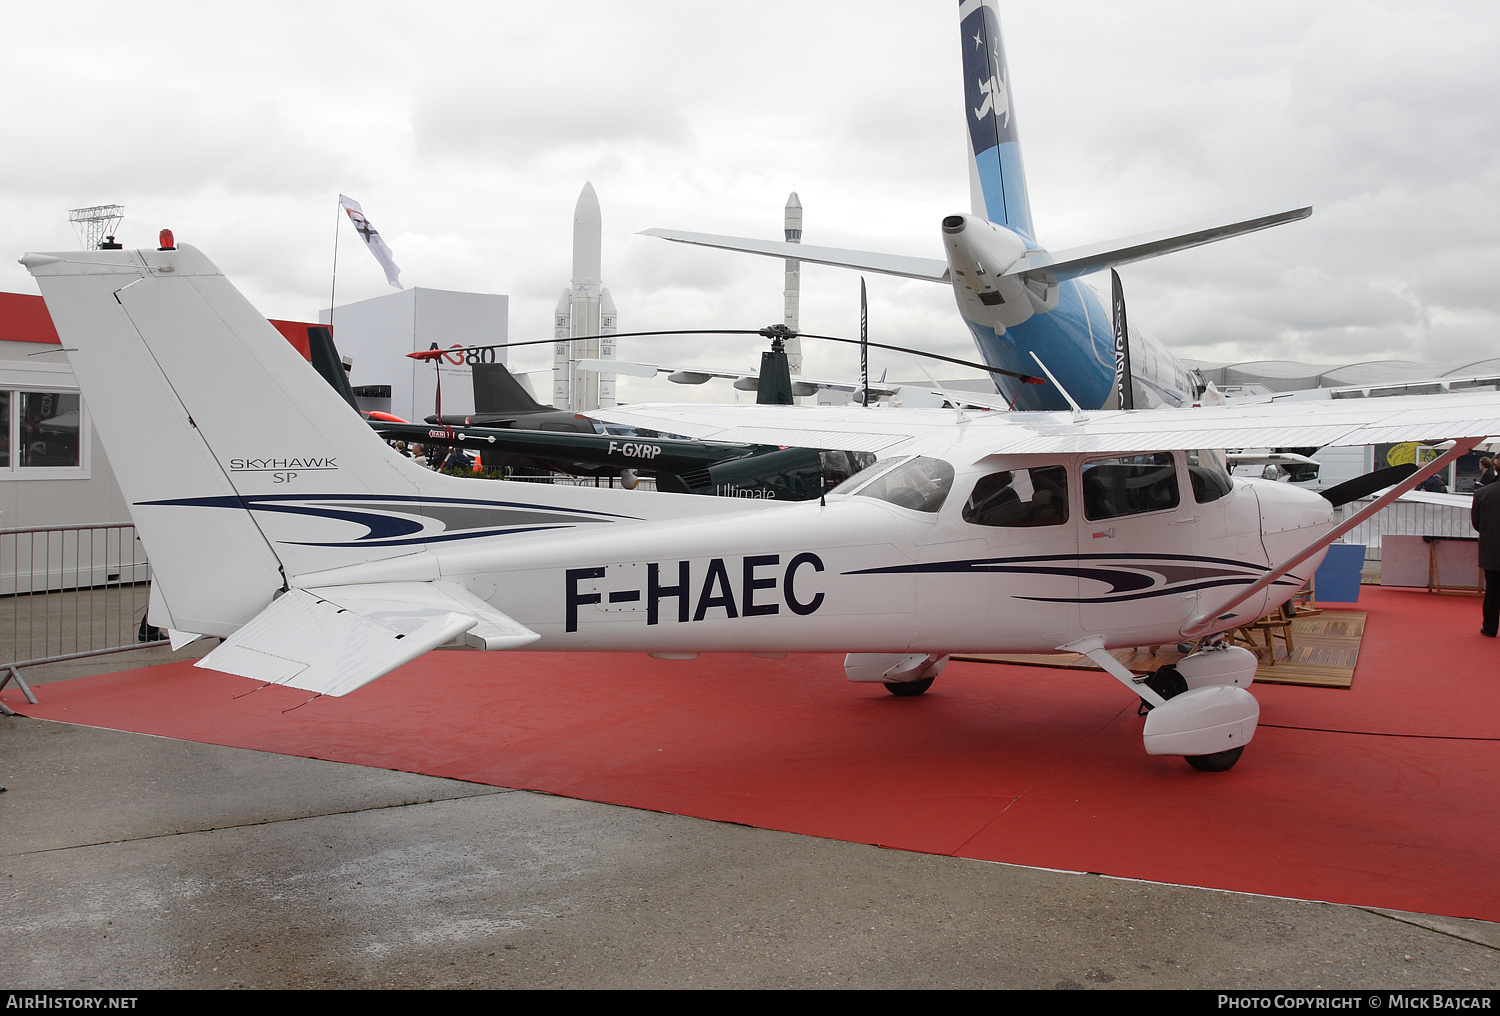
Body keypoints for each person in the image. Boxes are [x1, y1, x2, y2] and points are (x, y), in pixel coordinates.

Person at [1473, 476, 1500, 637]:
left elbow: (1476, 523)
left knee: (1493, 590)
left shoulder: (1482, 493)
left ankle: (1490, 626)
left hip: (1492, 548)